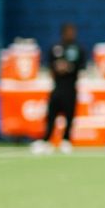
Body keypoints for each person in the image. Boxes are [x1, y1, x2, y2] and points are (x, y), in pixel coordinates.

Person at [33, 23, 85, 154]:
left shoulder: (78, 48)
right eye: (68, 31)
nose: (71, 34)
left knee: (69, 114)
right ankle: (46, 140)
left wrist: (69, 68)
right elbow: (49, 64)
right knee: (51, 114)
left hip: (71, 86)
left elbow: (81, 66)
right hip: (57, 86)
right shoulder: (56, 47)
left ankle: (66, 140)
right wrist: (57, 68)